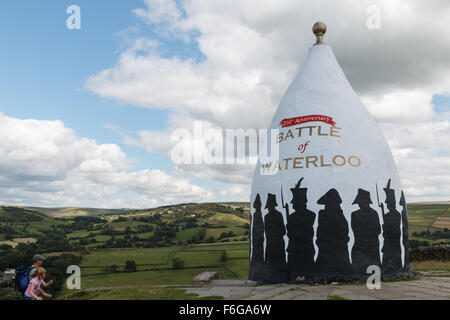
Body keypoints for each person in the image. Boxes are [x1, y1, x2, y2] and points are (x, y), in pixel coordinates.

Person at [286, 178, 316, 281]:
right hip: (296, 248)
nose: (292, 204)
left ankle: (303, 277)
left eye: (294, 203)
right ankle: (298, 277)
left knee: (305, 263)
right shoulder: (292, 217)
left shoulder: (310, 215)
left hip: (305, 247)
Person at [351, 189, 381, 276]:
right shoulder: (355, 214)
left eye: (362, 202)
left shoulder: (374, 214)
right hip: (361, 244)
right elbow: (355, 230)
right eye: (360, 202)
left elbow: (378, 230)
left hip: (372, 245)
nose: (360, 204)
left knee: (372, 263)